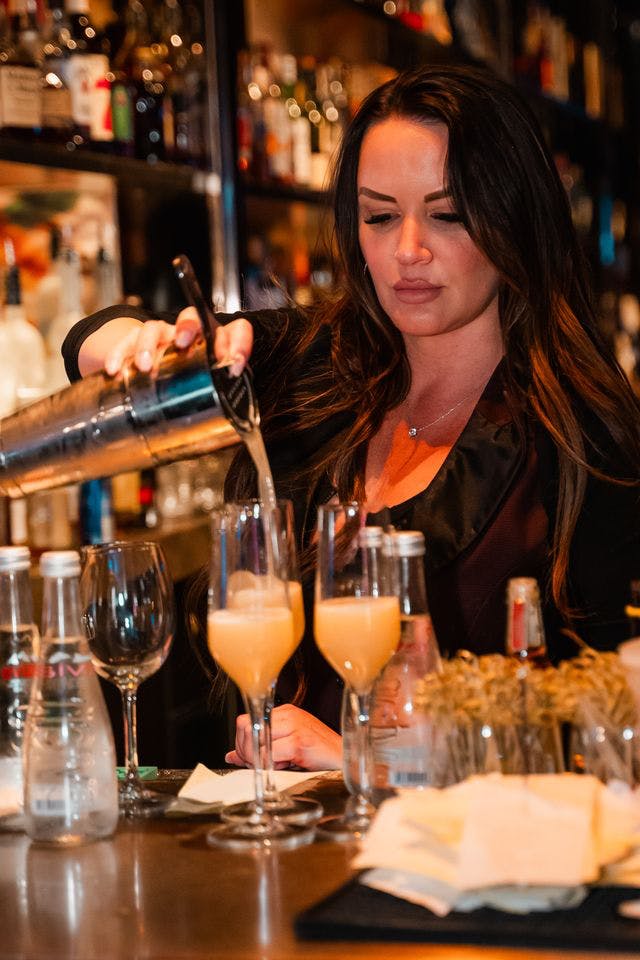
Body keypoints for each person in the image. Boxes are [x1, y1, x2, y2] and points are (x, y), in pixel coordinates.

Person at [62, 63, 640, 772]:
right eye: (379, 216)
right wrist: (134, 344)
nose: (407, 252)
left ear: (513, 218)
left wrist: (360, 761)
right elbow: (90, 336)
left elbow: (614, 732)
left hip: (462, 863)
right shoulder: (321, 366)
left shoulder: (580, 434)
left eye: (448, 214)